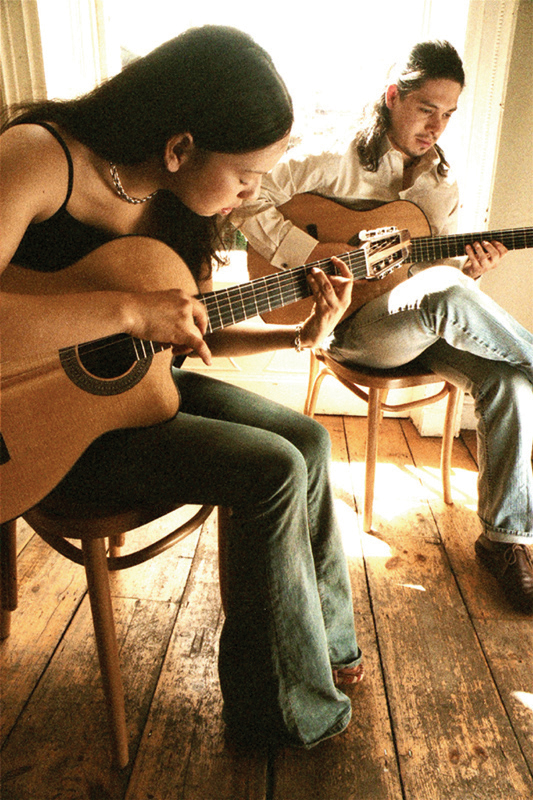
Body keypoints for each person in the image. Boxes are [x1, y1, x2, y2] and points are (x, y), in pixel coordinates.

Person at [0, 25, 364, 748]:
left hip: (131, 401)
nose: (249, 196)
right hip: (34, 432)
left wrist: (301, 335)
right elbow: (145, 315)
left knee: (308, 438)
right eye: (244, 178)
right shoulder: (39, 158)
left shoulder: (182, 204)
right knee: (271, 469)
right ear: (178, 147)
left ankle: (323, 648)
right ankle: (279, 713)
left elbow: (188, 329)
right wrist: (128, 309)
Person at [232, 40, 533, 614]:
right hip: (349, 327)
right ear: (393, 96)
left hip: (420, 324)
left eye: (448, 115)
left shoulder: (439, 185)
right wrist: (310, 249)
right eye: (426, 109)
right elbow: (246, 200)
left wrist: (471, 266)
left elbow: (438, 279)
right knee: (447, 296)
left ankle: (506, 539)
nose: (436, 126)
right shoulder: (328, 159)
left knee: (510, 383)